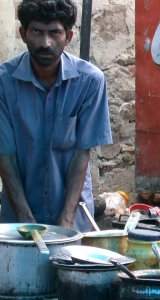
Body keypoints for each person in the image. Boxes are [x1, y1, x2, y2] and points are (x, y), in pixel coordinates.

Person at [0, 0, 112, 232]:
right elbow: (6, 158)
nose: (45, 43)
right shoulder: (4, 82)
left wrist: (66, 222)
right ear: (23, 33)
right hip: (17, 218)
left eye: (54, 33)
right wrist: (25, 219)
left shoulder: (90, 81)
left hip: (73, 216)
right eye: (37, 32)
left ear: (69, 37)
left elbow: (82, 155)